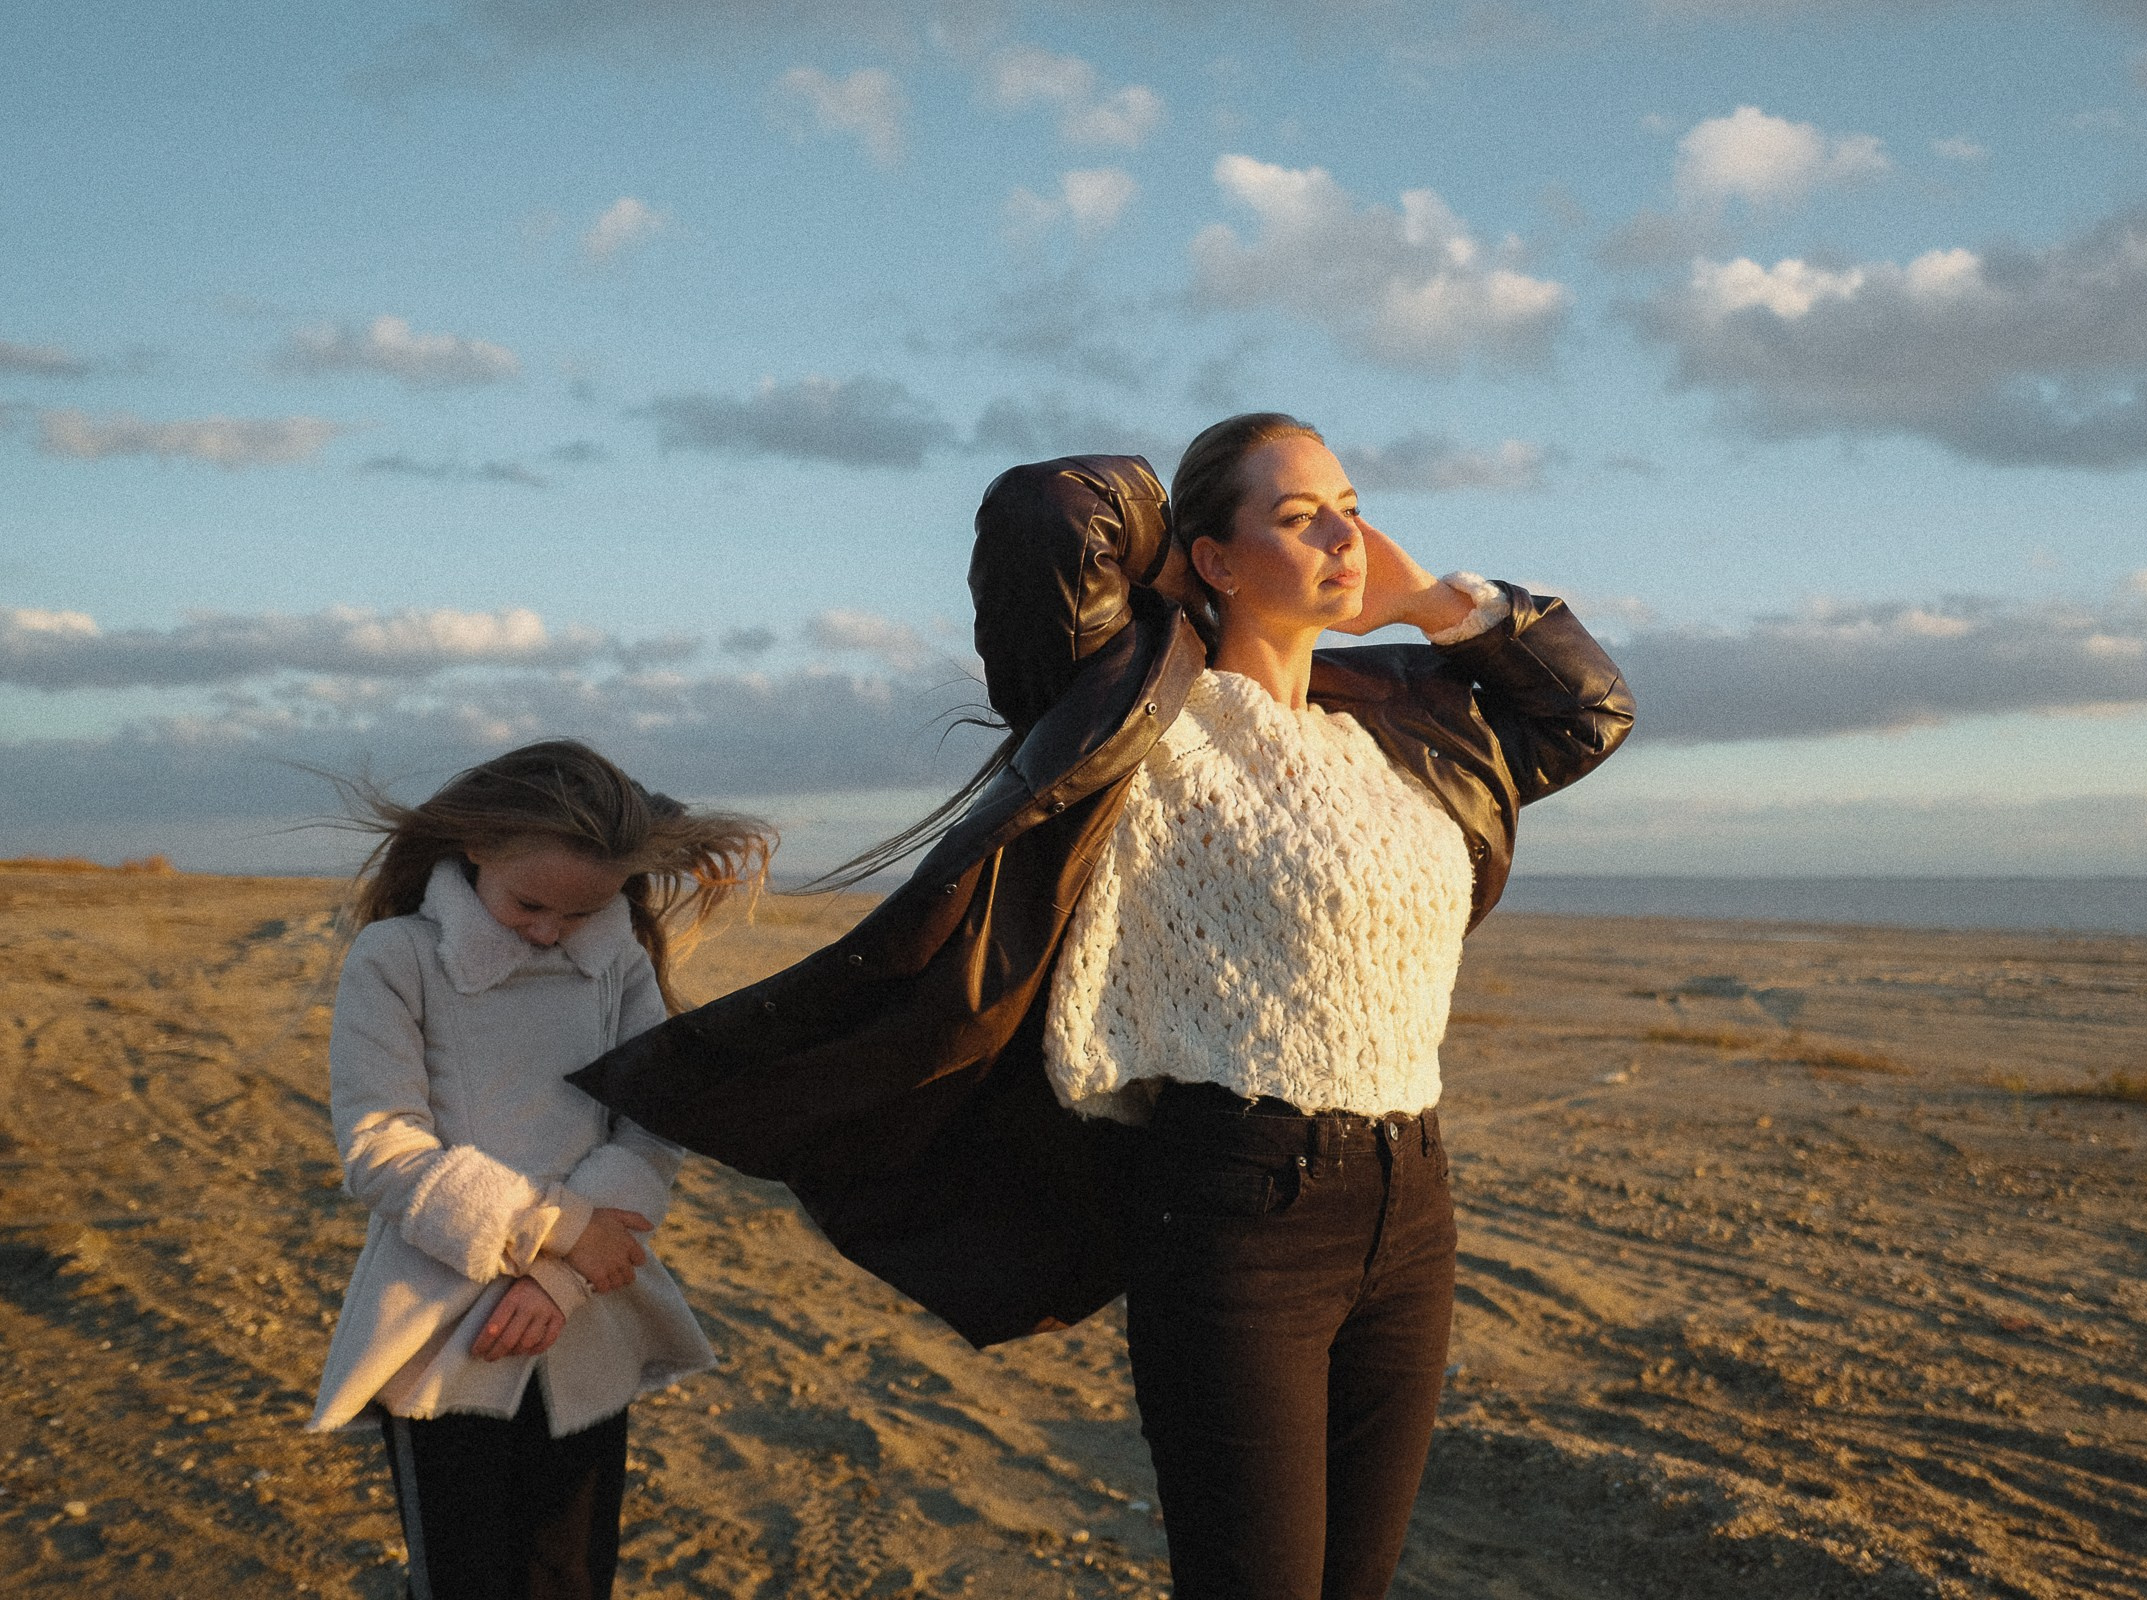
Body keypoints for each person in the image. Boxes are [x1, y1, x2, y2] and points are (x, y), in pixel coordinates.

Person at [569, 414, 1633, 1599]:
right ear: (1211, 558)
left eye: (1350, 501)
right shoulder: (1132, 705)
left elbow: (1586, 711)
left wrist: (1436, 602)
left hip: (1412, 1205)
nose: (1347, 534)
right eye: (1298, 515)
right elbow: (1046, 513)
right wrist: (1171, 569)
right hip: (1238, 1206)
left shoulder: (1403, 725)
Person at [309, 739, 775, 1600]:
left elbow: (648, 1135)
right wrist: (560, 1231)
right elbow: (382, 1147)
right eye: (530, 903)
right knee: (462, 1580)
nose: (549, 932)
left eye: (584, 910)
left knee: (569, 1577)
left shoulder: (620, 964)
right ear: (475, 845)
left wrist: (561, 1283)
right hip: (442, 1326)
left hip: (585, 1319)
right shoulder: (396, 957)